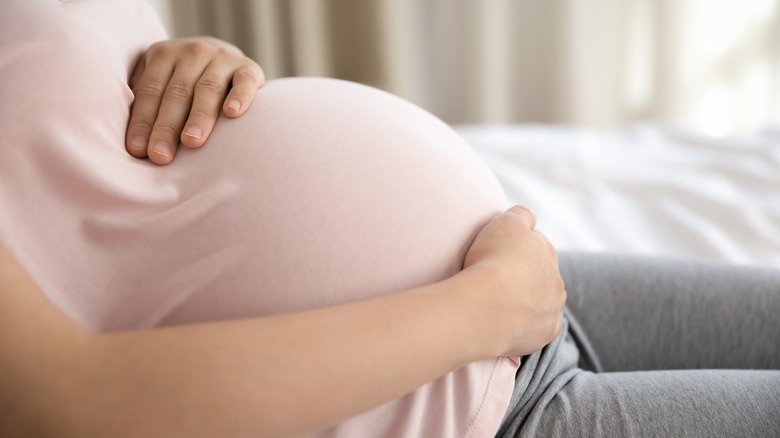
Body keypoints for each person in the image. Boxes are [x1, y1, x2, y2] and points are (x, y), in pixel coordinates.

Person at [0, 1, 778, 437]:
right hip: (473, 406)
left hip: (512, 297)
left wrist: (188, 63)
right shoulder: (487, 312)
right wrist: (488, 308)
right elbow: (71, 404)